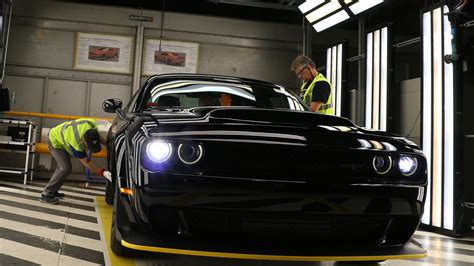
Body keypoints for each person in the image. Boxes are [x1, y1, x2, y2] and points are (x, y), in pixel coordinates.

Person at [40, 118, 111, 204]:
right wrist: (102, 172)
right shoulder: (76, 143)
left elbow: (97, 135)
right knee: (65, 168)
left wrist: (107, 145)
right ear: (84, 142)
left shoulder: (92, 125)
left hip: (61, 137)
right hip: (54, 141)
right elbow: (86, 162)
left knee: (62, 168)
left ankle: (53, 191)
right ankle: (46, 194)